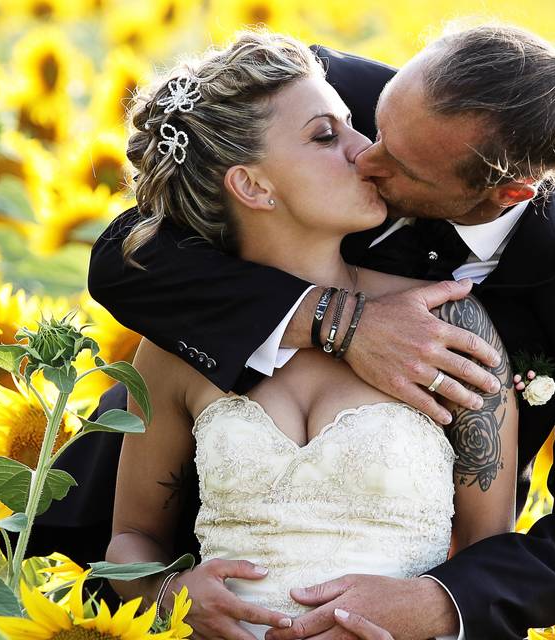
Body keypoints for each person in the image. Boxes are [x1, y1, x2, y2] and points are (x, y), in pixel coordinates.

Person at [53, 16, 555, 640]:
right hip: (146, 572)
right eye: (369, 126)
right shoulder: (318, 95)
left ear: (510, 195)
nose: (367, 154)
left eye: (402, 167)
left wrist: (438, 603)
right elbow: (125, 255)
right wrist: (339, 322)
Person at [102, 31, 519, 640]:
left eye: (351, 125)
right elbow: (129, 538)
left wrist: (424, 605)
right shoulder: (177, 346)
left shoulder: (446, 320)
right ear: (253, 187)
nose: (367, 151)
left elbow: (491, 553)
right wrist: (168, 593)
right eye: (326, 136)